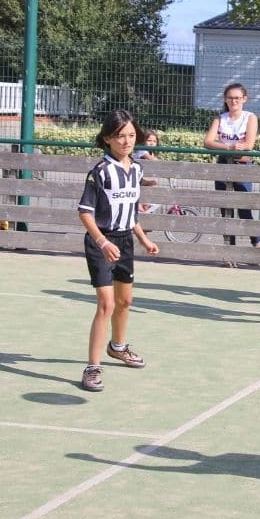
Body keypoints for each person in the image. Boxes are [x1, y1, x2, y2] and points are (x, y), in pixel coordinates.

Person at [77, 110, 160, 392]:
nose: (127, 141)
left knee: (125, 302)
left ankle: (118, 347)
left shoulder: (136, 169)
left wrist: (143, 239)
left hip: (125, 241)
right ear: (108, 138)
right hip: (102, 242)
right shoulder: (99, 172)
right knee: (107, 304)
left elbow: (131, 211)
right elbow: (85, 213)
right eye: (120, 136)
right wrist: (103, 242)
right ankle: (92, 366)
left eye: (131, 135)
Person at [204, 82, 260, 249]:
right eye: (230, 98)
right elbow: (208, 141)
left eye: (237, 98)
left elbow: (249, 144)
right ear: (225, 99)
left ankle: (256, 243)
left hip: (242, 165)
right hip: (224, 164)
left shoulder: (250, 117)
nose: (234, 101)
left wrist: (238, 148)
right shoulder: (219, 118)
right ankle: (229, 248)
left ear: (244, 99)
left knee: (245, 207)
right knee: (225, 209)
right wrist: (228, 147)